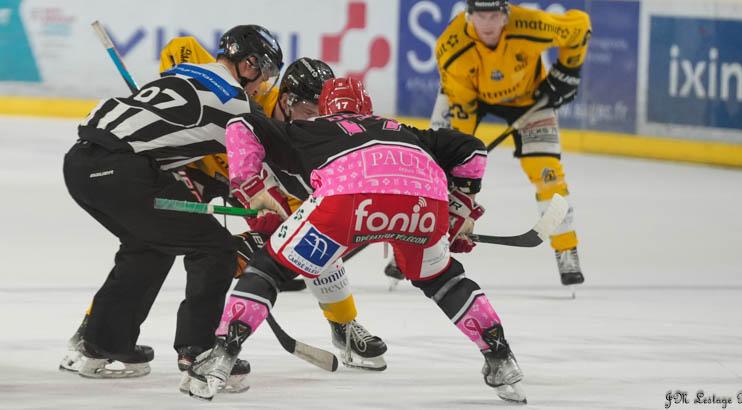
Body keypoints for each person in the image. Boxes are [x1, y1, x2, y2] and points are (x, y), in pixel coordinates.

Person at [183, 77, 528, 404]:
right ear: (368, 108)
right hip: (424, 205)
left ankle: (221, 356)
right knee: (445, 279)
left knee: (269, 269)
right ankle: (501, 359)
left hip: (348, 204)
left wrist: (252, 189)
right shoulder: (401, 129)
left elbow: (241, 125)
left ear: (327, 109)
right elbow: (472, 150)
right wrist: (457, 212)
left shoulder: (310, 129)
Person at [61, 25, 283, 381]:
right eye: (266, 73)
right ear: (249, 64)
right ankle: (200, 352)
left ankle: (104, 342)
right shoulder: (237, 104)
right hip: (122, 171)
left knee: (148, 246)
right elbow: (251, 164)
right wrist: (258, 196)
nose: (263, 86)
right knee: (215, 248)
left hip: (79, 164)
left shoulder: (182, 73)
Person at [157, 38, 389, 370]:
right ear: (286, 99)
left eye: (321, 115)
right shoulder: (250, 97)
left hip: (257, 189)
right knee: (152, 244)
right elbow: (182, 47)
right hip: (196, 167)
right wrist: (173, 84)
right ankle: (102, 329)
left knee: (314, 237)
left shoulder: (309, 144)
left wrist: (258, 243)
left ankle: (344, 326)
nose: (313, 122)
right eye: (308, 113)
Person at [425, 0, 591, 287]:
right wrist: (463, 182)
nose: (487, 23)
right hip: (470, 99)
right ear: (468, 16)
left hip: (531, 98)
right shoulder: (452, 50)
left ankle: (567, 249)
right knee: (437, 165)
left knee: (547, 174)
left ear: (506, 15)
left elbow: (579, 26)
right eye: (480, 16)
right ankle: (421, 239)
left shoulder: (529, 24)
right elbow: (462, 127)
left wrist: (569, 71)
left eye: (493, 16)